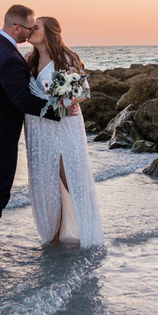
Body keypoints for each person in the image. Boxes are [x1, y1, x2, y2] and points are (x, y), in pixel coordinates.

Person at [0, 4, 70, 254]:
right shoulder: (9, 58)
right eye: (29, 27)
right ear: (16, 28)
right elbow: (23, 101)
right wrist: (61, 111)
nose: (31, 31)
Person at [24, 17, 104, 247]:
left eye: (35, 27)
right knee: (46, 181)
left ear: (49, 32)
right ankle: (55, 235)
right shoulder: (28, 60)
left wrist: (69, 101)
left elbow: (83, 91)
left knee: (66, 174)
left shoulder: (67, 58)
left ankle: (86, 229)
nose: (30, 30)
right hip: (37, 128)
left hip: (63, 125)